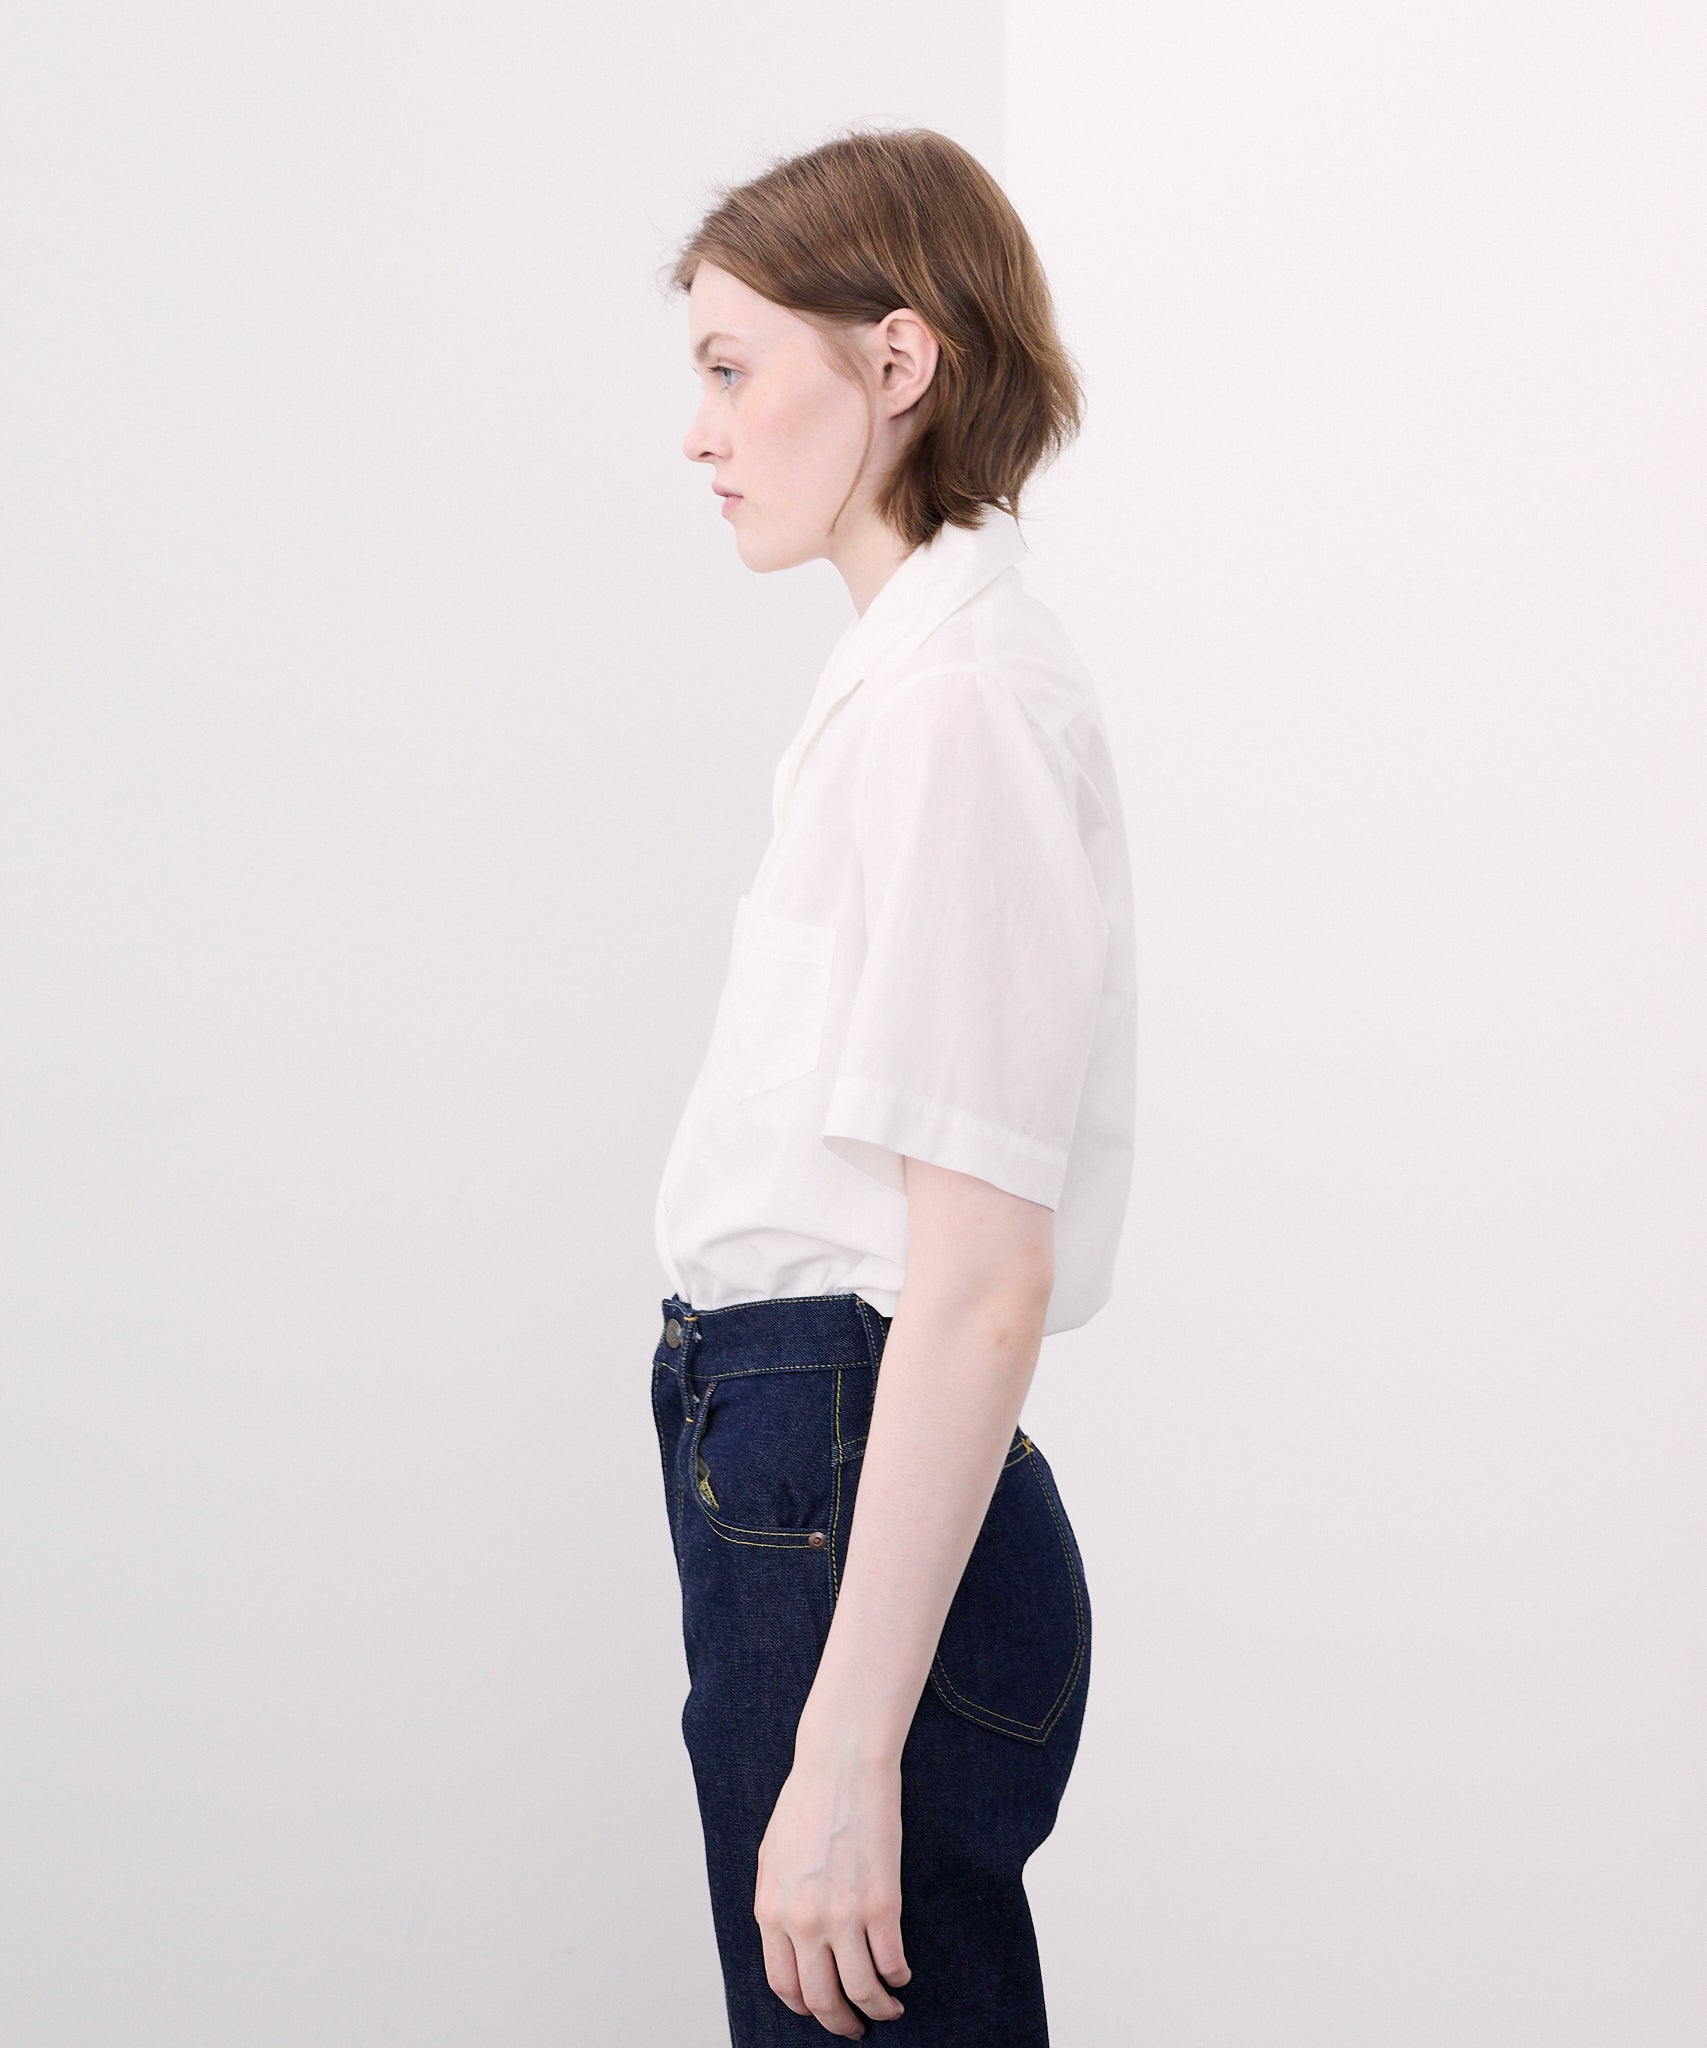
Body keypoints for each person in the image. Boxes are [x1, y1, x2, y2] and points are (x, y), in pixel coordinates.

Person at [648, 125, 1136, 2045]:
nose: (700, 433)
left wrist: (849, 1749)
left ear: (898, 360)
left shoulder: (958, 704)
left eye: (730, 367)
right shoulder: (912, 687)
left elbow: (987, 1268)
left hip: (844, 1479)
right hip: (806, 1467)